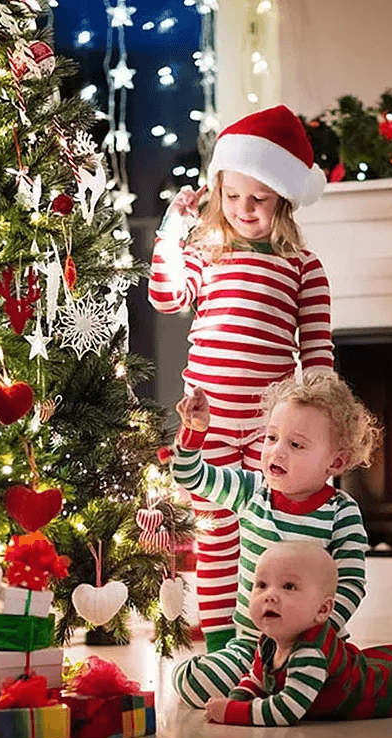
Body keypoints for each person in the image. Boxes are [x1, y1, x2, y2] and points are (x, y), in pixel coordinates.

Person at [148, 105, 332, 652]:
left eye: (259, 199)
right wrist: (172, 231)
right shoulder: (207, 253)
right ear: (216, 191)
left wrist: (323, 427)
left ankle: (269, 636)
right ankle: (224, 642)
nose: (244, 209)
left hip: (268, 431)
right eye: (232, 197)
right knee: (216, 534)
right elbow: (165, 296)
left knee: (265, 531)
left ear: (283, 199)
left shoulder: (303, 266)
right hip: (207, 424)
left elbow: (318, 353)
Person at [170, 372, 382, 707]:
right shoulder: (250, 491)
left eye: (295, 444)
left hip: (312, 646)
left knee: (338, 693)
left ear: (336, 461)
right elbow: (190, 475)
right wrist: (194, 434)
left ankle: (278, 685)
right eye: (271, 438)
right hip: (251, 644)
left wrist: (318, 633)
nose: (276, 452)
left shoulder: (341, 513)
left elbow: (352, 584)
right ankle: (263, 682)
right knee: (192, 683)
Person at [203, 541, 392, 726]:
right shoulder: (271, 642)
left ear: (322, 611)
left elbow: (285, 710)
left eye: (289, 587)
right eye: (261, 585)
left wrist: (232, 712)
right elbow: (257, 679)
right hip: (377, 667)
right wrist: (239, 695)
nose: (269, 595)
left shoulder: (310, 653)